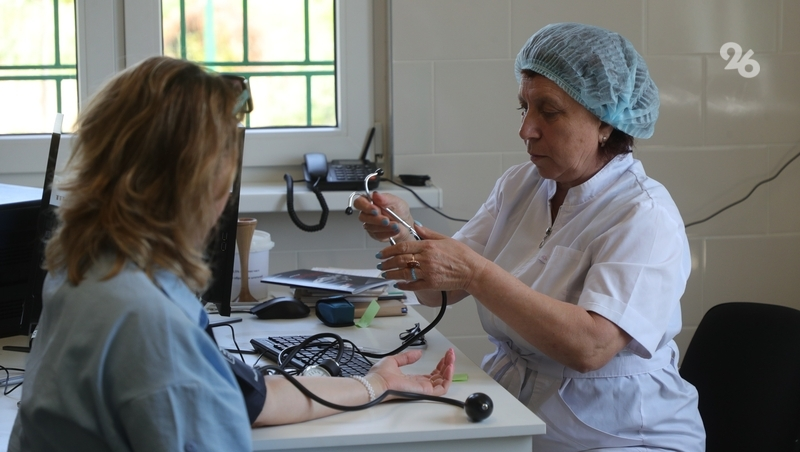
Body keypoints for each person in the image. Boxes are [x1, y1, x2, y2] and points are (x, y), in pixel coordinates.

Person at [8, 56, 455, 452]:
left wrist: (374, 383)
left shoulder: (89, 271)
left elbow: (247, 396)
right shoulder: (152, 324)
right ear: (194, 184)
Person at [353, 23, 705, 450]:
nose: (526, 130)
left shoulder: (643, 214)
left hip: (620, 433)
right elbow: (436, 293)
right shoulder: (521, 184)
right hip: (519, 412)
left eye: (549, 112)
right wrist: (401, 229)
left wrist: (475, 274)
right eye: (524, 108)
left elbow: (591, 348)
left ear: (605, 122)